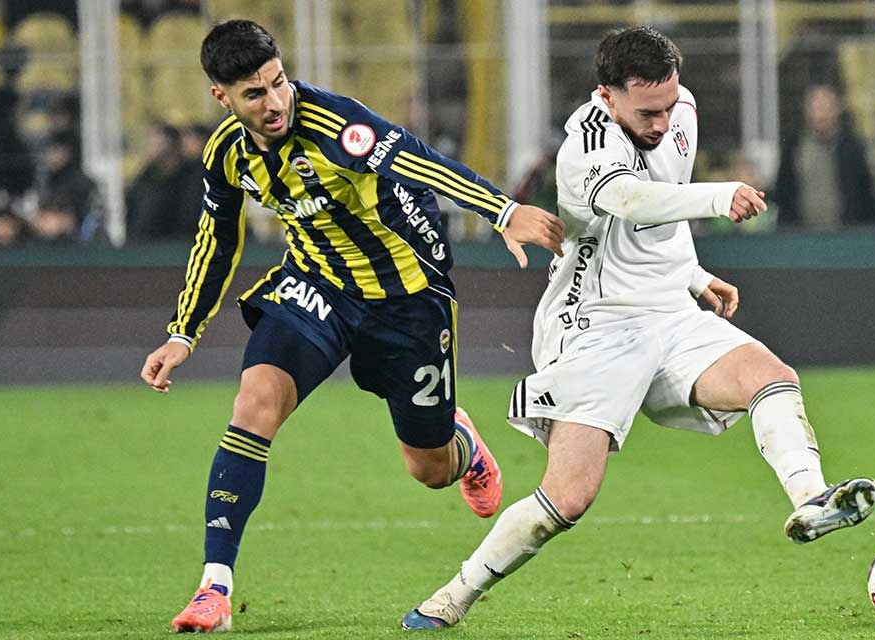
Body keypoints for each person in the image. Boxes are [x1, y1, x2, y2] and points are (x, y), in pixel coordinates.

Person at [400, 27, 875, 630]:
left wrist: (692, 275)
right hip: (595, 327)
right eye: (647, 112)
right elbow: (631, 201)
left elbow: (661, 214)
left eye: (669, 105)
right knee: (568, 498)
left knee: (771, 377)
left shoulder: (681, 111)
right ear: (607, 95)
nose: (663, 122)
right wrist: (719, 197)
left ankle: (811, 498)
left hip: (669, 312)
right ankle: (455, 594)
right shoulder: (584, 144)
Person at [141, 20, 565, 633]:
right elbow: (217, 239)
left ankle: (463, 445)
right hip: (318, 284)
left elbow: (419, 162)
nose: (275, 101)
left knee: (429, 469)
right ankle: (214, 587)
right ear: (222, 98)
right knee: (254, 403)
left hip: (407, 298)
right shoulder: (226, 154)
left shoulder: (337, 124)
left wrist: (502, 211)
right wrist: (183, 332)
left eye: (278, 82)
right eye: (254, 93)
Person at [773, 84, 875, 229]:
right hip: (801, 234)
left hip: (846, 233)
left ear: (837, 109)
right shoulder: (795, 147)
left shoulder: (852, 148)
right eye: (815, 107)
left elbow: (864, 192)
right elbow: (783, 191)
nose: (820, 114)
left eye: (825, 107)